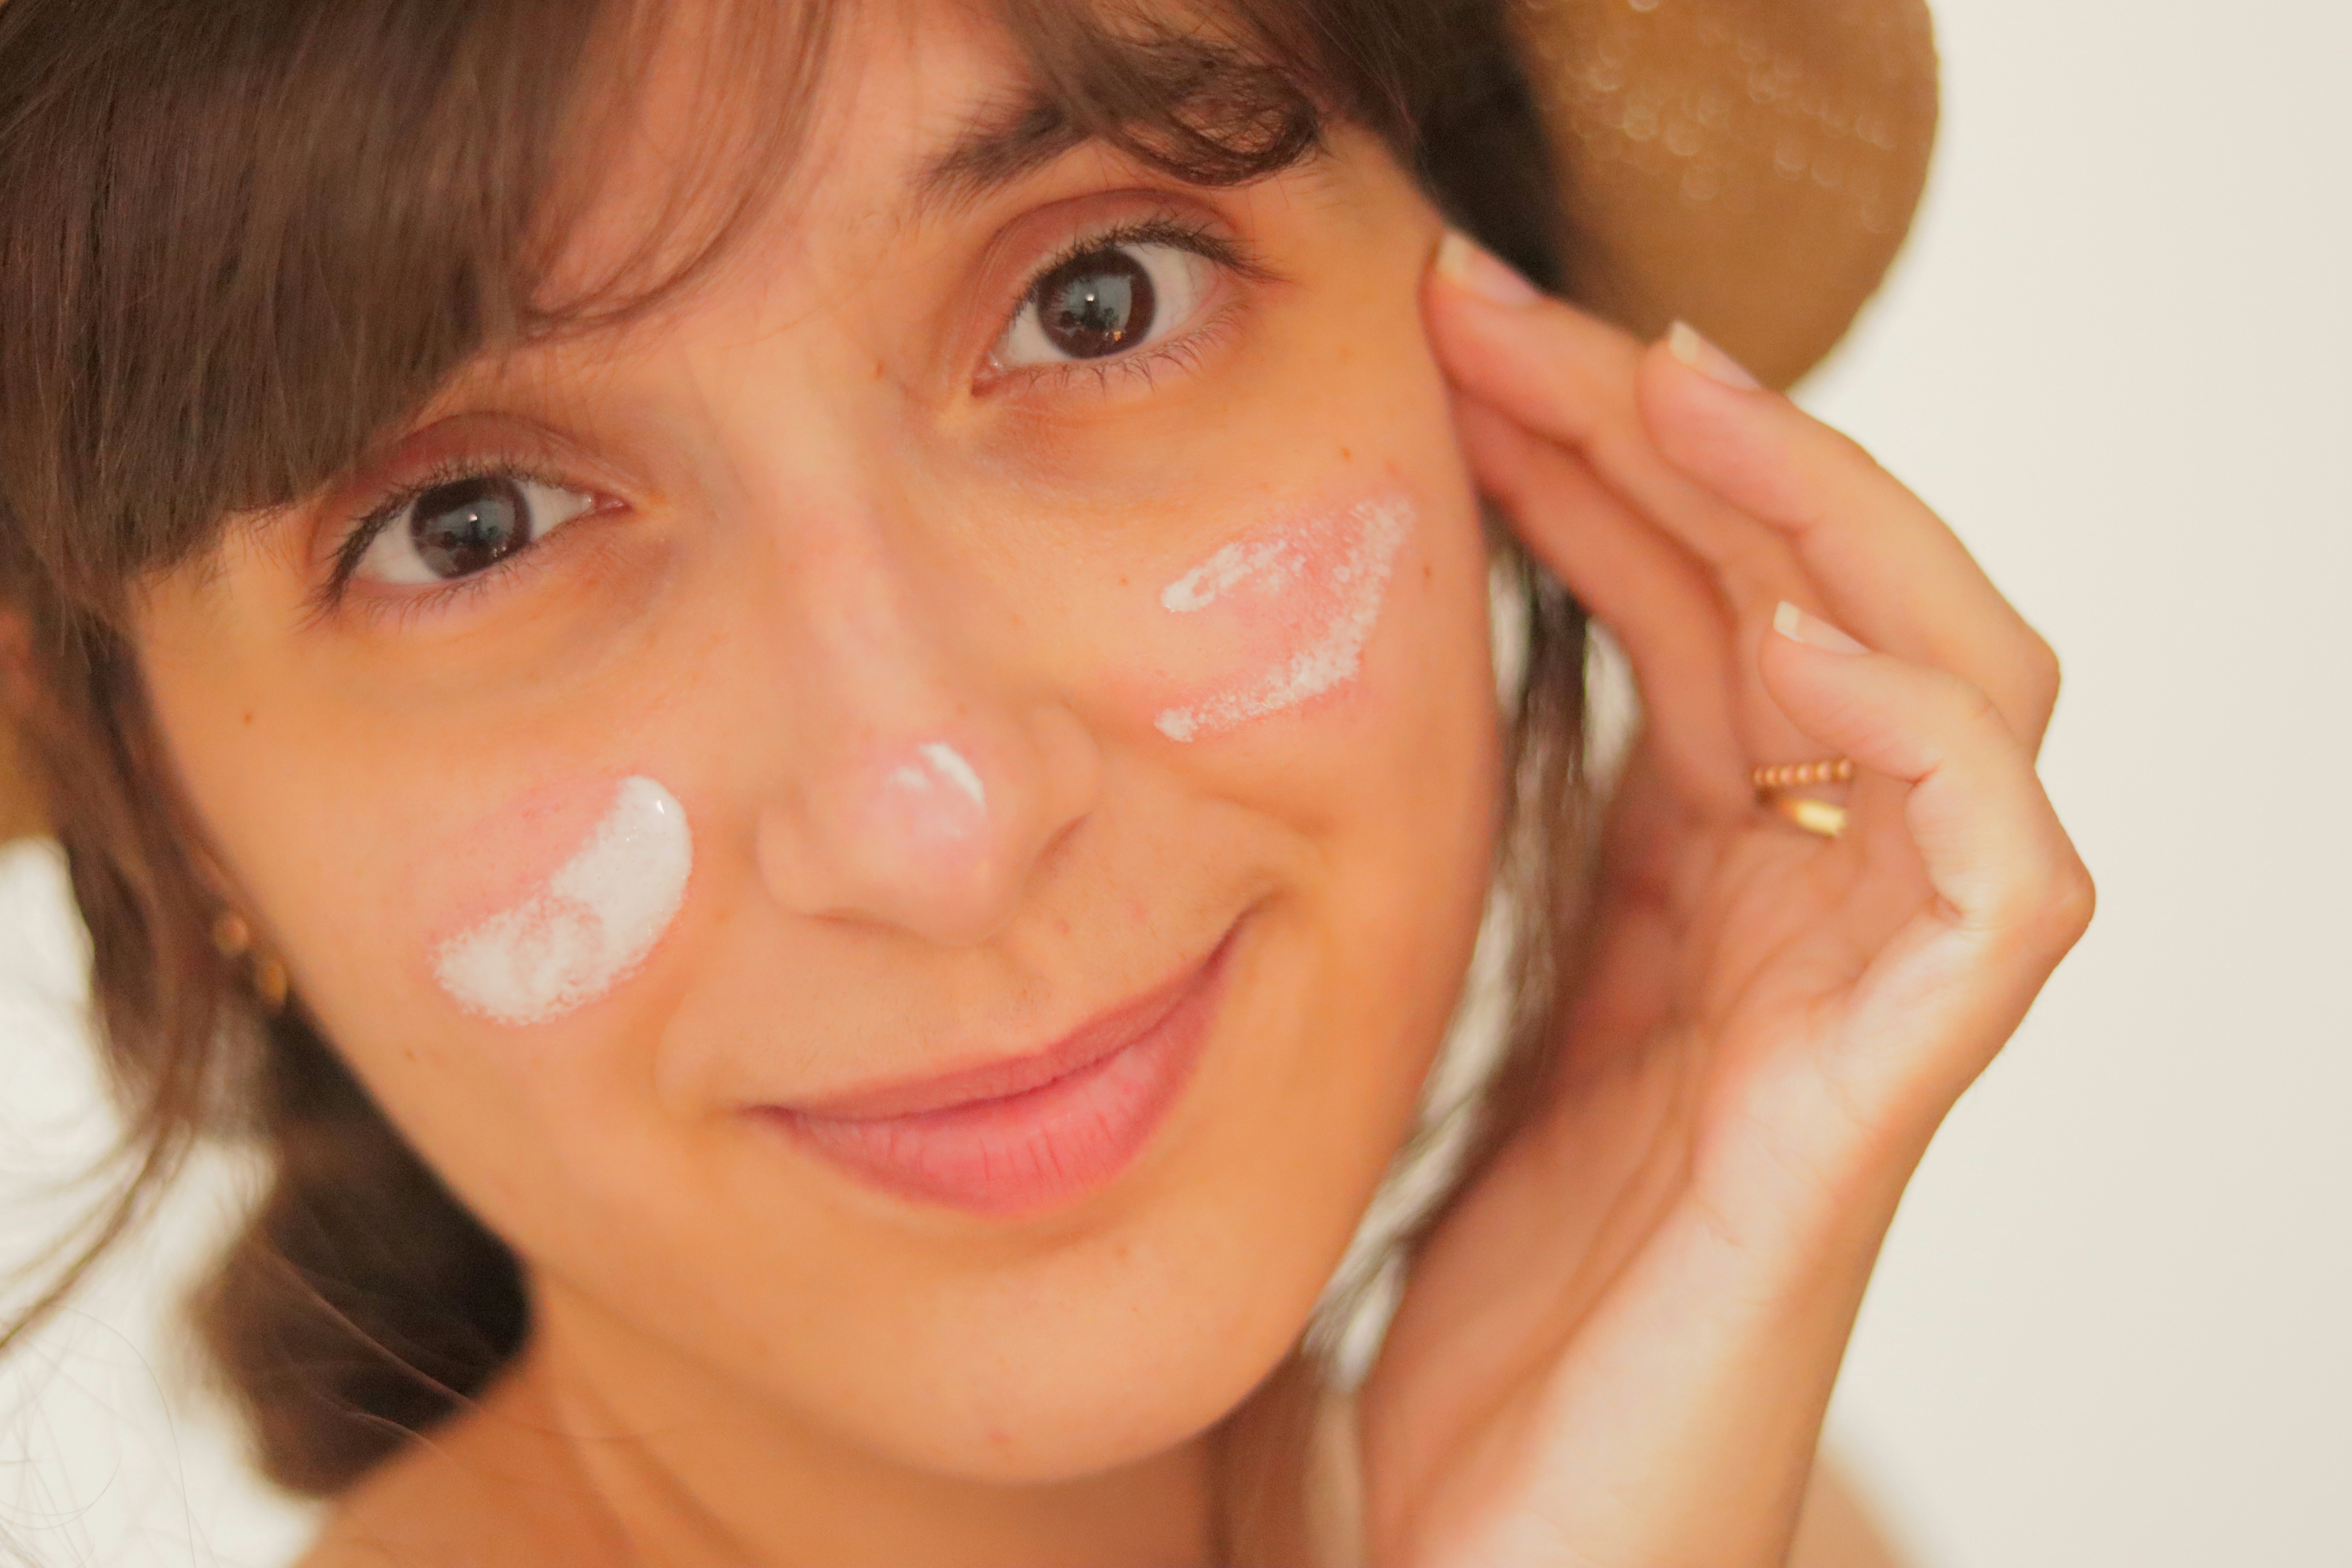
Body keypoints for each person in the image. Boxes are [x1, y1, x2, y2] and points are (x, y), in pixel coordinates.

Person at [0, 0, 2090, 1562]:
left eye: (1100, 306)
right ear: (164, 813)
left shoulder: (1715, 1508)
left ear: (1512, 397)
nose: (943, 823)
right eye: (473, 526)